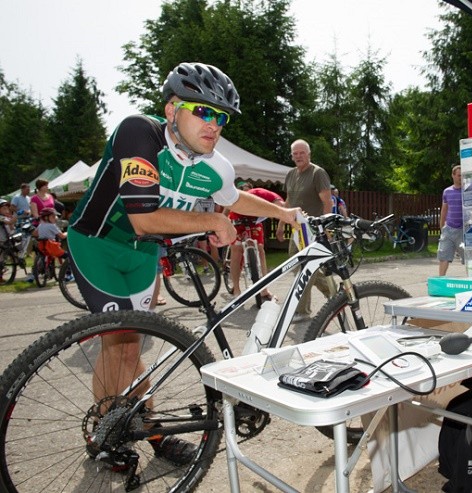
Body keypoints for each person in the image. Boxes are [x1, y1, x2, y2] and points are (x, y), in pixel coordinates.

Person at [66, 62, 300, 465]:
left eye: (221, 116)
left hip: (143, 254)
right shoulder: (139, 132)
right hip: (96, 243)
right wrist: (209, 220)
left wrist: (284, 214)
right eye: (204, 111)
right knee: (117, 340)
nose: (215, 125)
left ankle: (151, 430)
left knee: (130, 343)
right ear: (173, 110)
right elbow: (144, 217)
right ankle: (104, 437)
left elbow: (234, 199)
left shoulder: (216, 165)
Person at [275, 139, 333, 322]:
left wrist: (326, 228)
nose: (299, 156)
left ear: (309, 154)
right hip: (296, 230)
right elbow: (288, 202)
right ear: (292, 156)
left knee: (306, 269)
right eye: (295, 153)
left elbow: (327, 202)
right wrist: (280, 224)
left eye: (302, 153)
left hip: (313, 231)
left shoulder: (318, 173)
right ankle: (335, 294)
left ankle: (302, 311)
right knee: (298, 267)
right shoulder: (291, 174)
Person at [227, 180, 285, 298]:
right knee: (236, 251)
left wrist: (279, 223)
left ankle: (264, 289)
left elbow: (282, 208)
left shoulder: (264, 195)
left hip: (254, 221)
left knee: (260, 250)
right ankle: (237, 289)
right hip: (237, 219)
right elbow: (226, 208)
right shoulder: (237, 196)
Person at [437, 164, 463, 276]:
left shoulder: (467, 191)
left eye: (462, 176)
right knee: (444, 256)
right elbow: (444, 209)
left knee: (469, 258)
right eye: (458, 175)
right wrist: (442, 226)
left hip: (463, 230)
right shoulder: (447, 191)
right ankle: (440, 280)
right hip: (449, 229)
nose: (461, 178)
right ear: (453, 176)